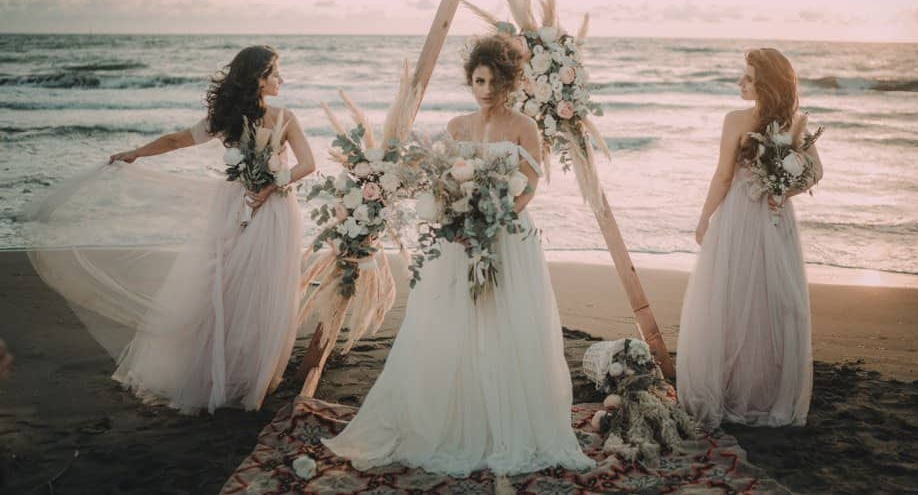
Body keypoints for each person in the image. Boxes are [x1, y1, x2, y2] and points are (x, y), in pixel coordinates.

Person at [322, 35, 595, 478]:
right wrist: (457, 217)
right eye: (478, 80)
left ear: (509, 82)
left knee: (506, 322)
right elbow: (441, 181)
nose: (485, 89)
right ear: (471, 80)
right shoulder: (456, 126)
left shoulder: (525, 126)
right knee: (453, 323)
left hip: (506, 236)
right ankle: (450, 418)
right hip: (459, 240)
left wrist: (494, 221)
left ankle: (504, 421)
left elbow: (529, 187)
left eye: (494, 80)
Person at [26, 45, 315, 413]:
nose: (281, 79)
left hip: (272, 210)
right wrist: (136, 153)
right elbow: (176, 140)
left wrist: (270, 185)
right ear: (257, 79)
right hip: (239, 207)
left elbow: (309, 164)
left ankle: (252, 371)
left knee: (264, 287)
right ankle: (225, 370)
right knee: (226, 287)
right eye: (275, 73)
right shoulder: (229, 117)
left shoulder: (283, 117)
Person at [677, 47, 821, 428]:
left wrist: (704, 217)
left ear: (765, 85)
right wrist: (780, 190)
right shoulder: (794, 123)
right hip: (776, 219)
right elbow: (814, 173)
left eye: (748, 78)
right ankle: (767, 394)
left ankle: (734, 391)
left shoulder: (736, 120)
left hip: (740, 217)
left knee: (733, 299)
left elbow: (723, 175)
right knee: (771, 303)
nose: (740, 83)